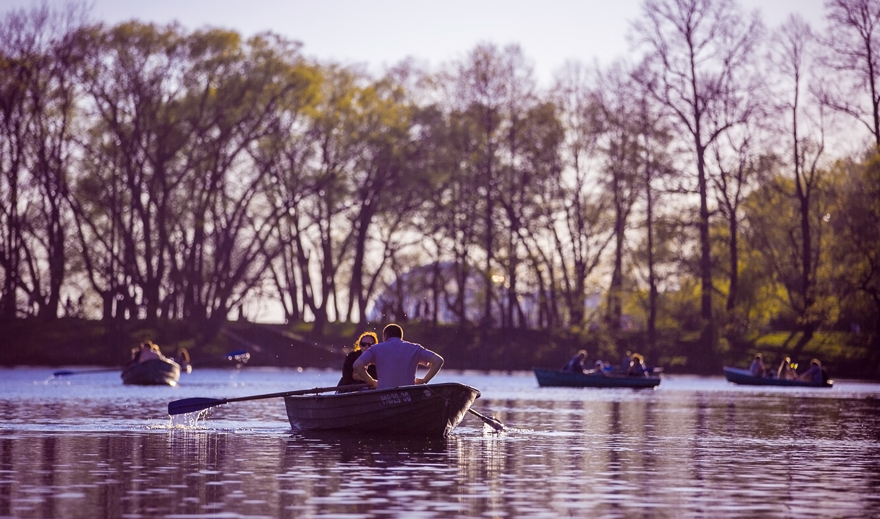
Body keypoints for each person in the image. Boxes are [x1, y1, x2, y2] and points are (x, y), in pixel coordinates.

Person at [353, 323, 444, 390]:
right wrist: (424, 380)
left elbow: (357, 365)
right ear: (401, 337)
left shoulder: (376, 348)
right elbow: (438, 361)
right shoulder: (415, 348)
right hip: (409, 393)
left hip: (383, 394)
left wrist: (371, 382)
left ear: (385, 336)